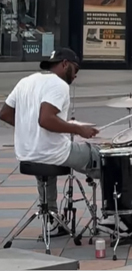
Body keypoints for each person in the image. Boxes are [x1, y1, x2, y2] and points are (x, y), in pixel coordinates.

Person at [0, 48, 100, 224]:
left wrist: (28, 127)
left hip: (27, 154)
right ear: (64, 64)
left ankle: (51, 219)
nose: (76, 76)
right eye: (76, 70)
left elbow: (5, 114)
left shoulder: (26, 81)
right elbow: (46, 119)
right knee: (104, 159)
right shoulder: (59, 84)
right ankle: (117, 213)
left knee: (46, 162)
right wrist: (78, 130)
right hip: (52, 153)